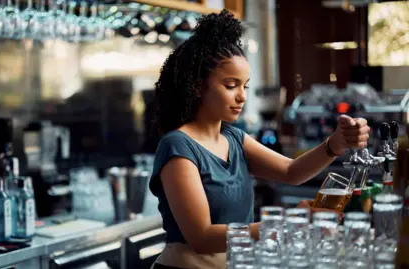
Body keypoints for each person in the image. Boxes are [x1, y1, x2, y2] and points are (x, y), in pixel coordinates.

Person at [149, 10, 370, 269]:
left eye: (245, 86)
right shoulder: (178, 146)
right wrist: (290, 223)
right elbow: (203, 238)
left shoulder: (234, 138)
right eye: (231, 85)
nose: (242, 97)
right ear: (198, 86)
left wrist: (337, 143)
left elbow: (291, 171)